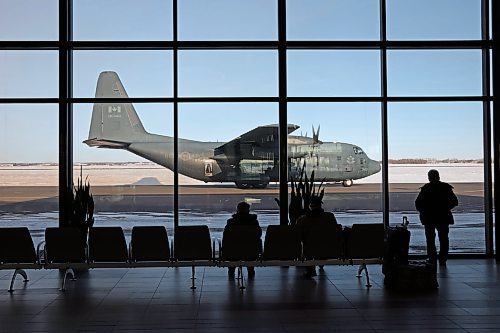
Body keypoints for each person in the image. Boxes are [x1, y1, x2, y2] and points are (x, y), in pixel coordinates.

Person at [415, 169, 458, 266]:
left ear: (429, 177)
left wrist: (424, 211)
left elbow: (418, 204)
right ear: (438, 176)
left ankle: (432, 258)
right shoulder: (446, 188)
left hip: (429, 217)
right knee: (443, 238)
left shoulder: (426, 188)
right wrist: (445, 208)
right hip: (443, 217)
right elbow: (455, 202)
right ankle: (443, 258)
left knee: (430, 239)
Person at [296, 196, 338, 277]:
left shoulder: (303, 220)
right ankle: (321, 260)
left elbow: (298, 235)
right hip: (329, 249)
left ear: (310, 206)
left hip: (310, 250)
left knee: (307, 242)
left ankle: (310, 269)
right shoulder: (330, 217)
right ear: (320, 205)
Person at [225, 201, 262, 278]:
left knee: (233, 248)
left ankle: (231, 271)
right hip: (251, 253)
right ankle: (250, 270)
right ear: (248, 210)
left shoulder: (231, 222)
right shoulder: (254, 222)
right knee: (250, 250)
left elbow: (226, 237)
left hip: (233, 253)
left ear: (237, 210)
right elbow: (258, 235)